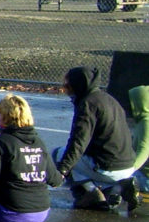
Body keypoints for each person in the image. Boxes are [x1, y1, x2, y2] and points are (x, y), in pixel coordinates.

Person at [0, 95, 62, 222]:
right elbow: (54, 179)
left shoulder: (1, 143)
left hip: (11, 212)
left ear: (7, 118)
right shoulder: (38, 142)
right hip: (41, 213)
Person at [54, 66, 139, 212]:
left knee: (59, 154)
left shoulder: (87, 104)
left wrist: (61, 171)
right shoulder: (109, 99)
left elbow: (78, 143)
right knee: (89, 160)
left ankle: (87, 193)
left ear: (78, 85)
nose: (66, 90)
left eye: (67, 86)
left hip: (107, 167)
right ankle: (117, 187)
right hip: (128, 165)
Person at [130, 85, 149, 193]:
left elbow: (143, 151)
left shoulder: (146, 122)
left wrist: (127, 172)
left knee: (112, 175)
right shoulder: (143, 121)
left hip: (145, 178)